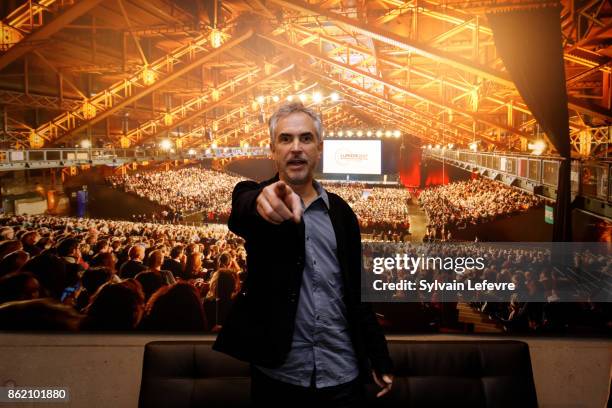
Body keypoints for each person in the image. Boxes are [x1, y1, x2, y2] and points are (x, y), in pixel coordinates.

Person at [213, 102, 393, 407]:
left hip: (343, 374)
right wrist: (260, 198)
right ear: (272, 149)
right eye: (286, 139)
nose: (296, 148)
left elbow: (357, 294)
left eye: (306, 138)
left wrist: (379, 356)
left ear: (319, 149)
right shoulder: (258, 200)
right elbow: (241, 208)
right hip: (279, 376)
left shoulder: (341, 213)